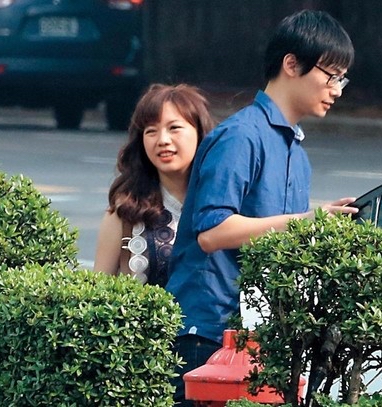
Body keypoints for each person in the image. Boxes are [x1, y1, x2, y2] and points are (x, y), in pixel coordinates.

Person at [166, 10, 360, 405]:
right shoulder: (241, 136)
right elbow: (211, 233)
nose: (337, 89)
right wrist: (305, 220)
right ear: (291, 64)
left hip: (259, 339)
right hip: (207, 334)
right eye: (331, 75)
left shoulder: (296, 153)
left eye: (342, 79)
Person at [93, 83, 215, 287]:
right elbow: (98, 291)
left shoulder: (224, 206)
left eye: (174, 128)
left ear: (199, 132)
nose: (163, 140)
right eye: (151, 131)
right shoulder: (125, 212)